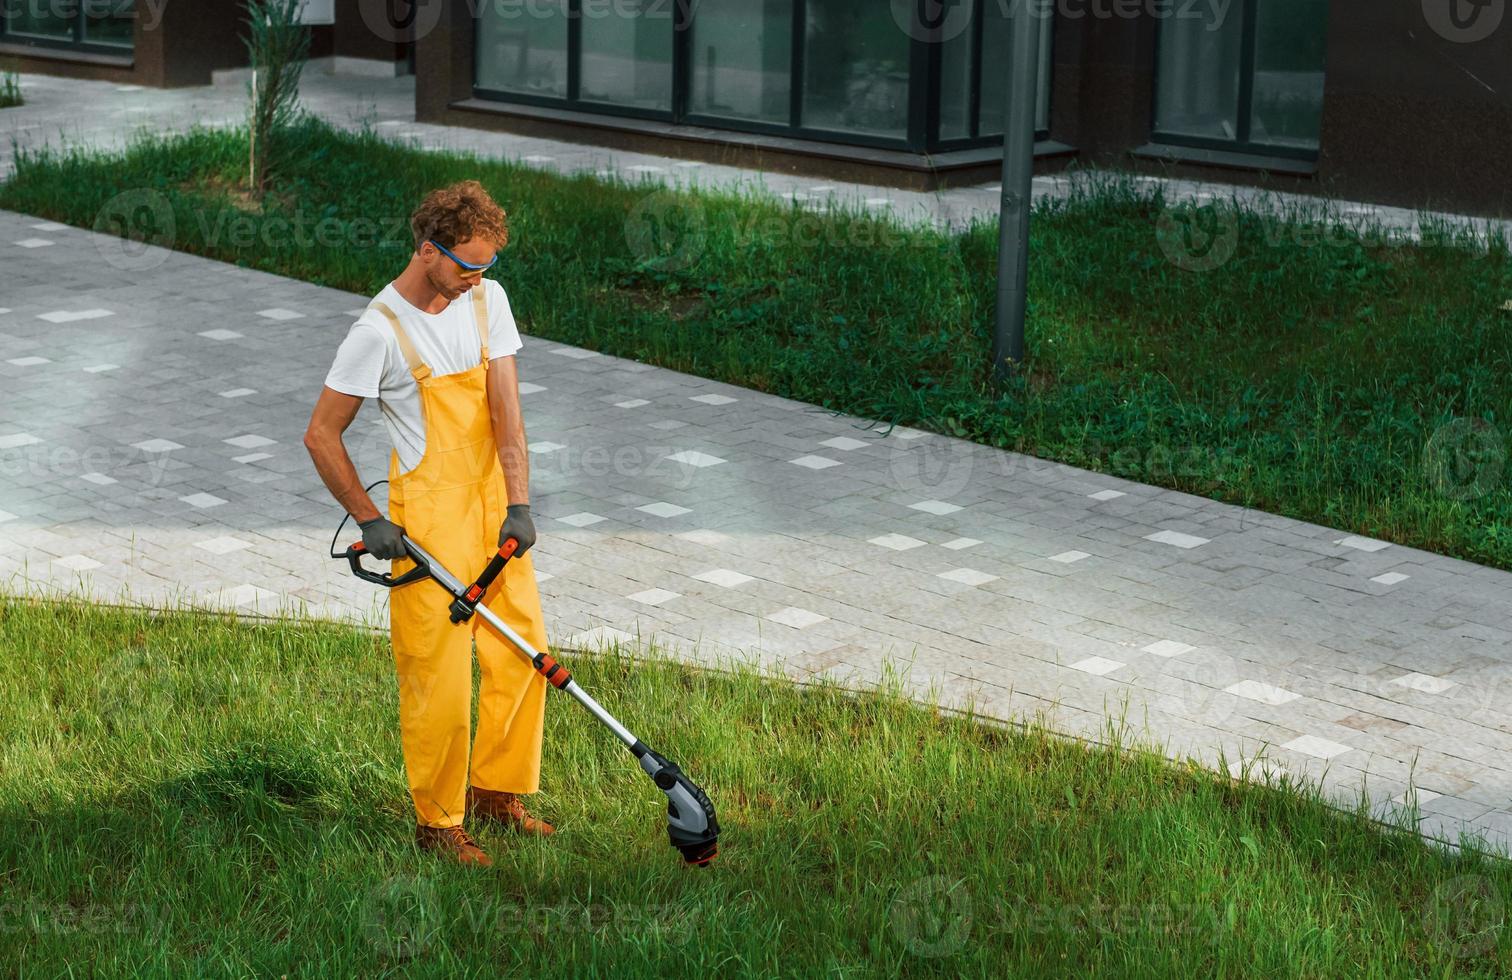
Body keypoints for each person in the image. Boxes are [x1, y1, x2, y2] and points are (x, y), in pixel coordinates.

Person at [304, 180, 554, 868]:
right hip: (428, 521)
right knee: (437, 675)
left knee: (523, 651)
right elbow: (322, 436)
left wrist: (521, 500)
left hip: (490, 502)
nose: (477, 278)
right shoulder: (377, 332)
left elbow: (507, 408)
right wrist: (369, 517)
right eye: (466, 265)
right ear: (426, 249)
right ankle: (438, 824)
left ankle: (498, 793)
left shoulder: (486, 301)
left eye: (486, 266)